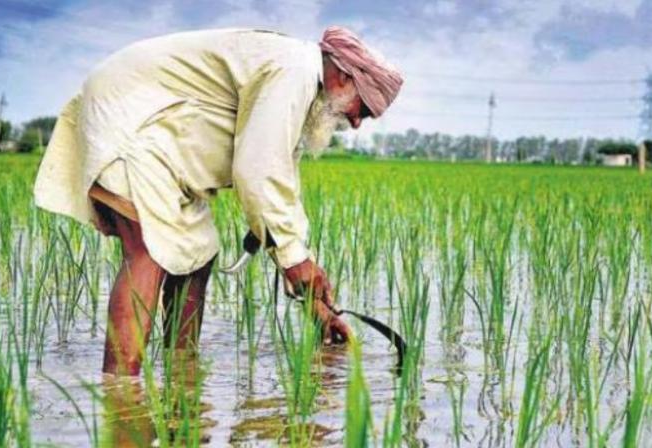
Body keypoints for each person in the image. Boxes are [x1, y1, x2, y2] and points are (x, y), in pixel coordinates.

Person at [33, 26, 403, 376]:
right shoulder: (293, 72)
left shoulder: (296, 85)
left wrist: (317, 305)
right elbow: (258, 169)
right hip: (132, 120)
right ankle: (121, 391)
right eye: (365, 110)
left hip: (164, 146)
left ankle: (181, 371)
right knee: (148, 250)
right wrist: (296, 261)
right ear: (343, 78)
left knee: (199, 253)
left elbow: (278, 189)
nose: (356, 123)